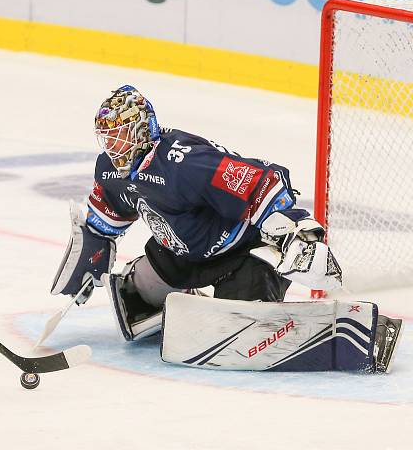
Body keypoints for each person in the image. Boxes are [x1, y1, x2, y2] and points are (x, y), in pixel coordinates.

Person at [50, 85, 403, 373]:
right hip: (181, 254)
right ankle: (185, 295)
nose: (113, 148)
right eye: (106, 140)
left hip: (242, 252)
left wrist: (298, 233)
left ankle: (341, 333)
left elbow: (263, 182)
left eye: (119, 138)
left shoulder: (184, 162)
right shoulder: (112, 169)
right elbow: (107, 213)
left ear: (143, 130)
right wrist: (91, 254)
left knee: (243, 322)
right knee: (136, 297)